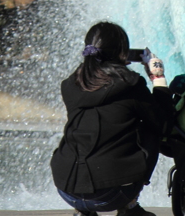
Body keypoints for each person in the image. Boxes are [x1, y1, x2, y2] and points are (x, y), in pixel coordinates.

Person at [51, 22, 173, 216]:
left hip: (67, 189)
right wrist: (158, 78)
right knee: (151, 129)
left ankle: (83, 210)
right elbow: (164, 124)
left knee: (85, 131)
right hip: (113, 194)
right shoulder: (130, 84)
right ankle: (130, 207)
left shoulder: (70, 85)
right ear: (122, 52)